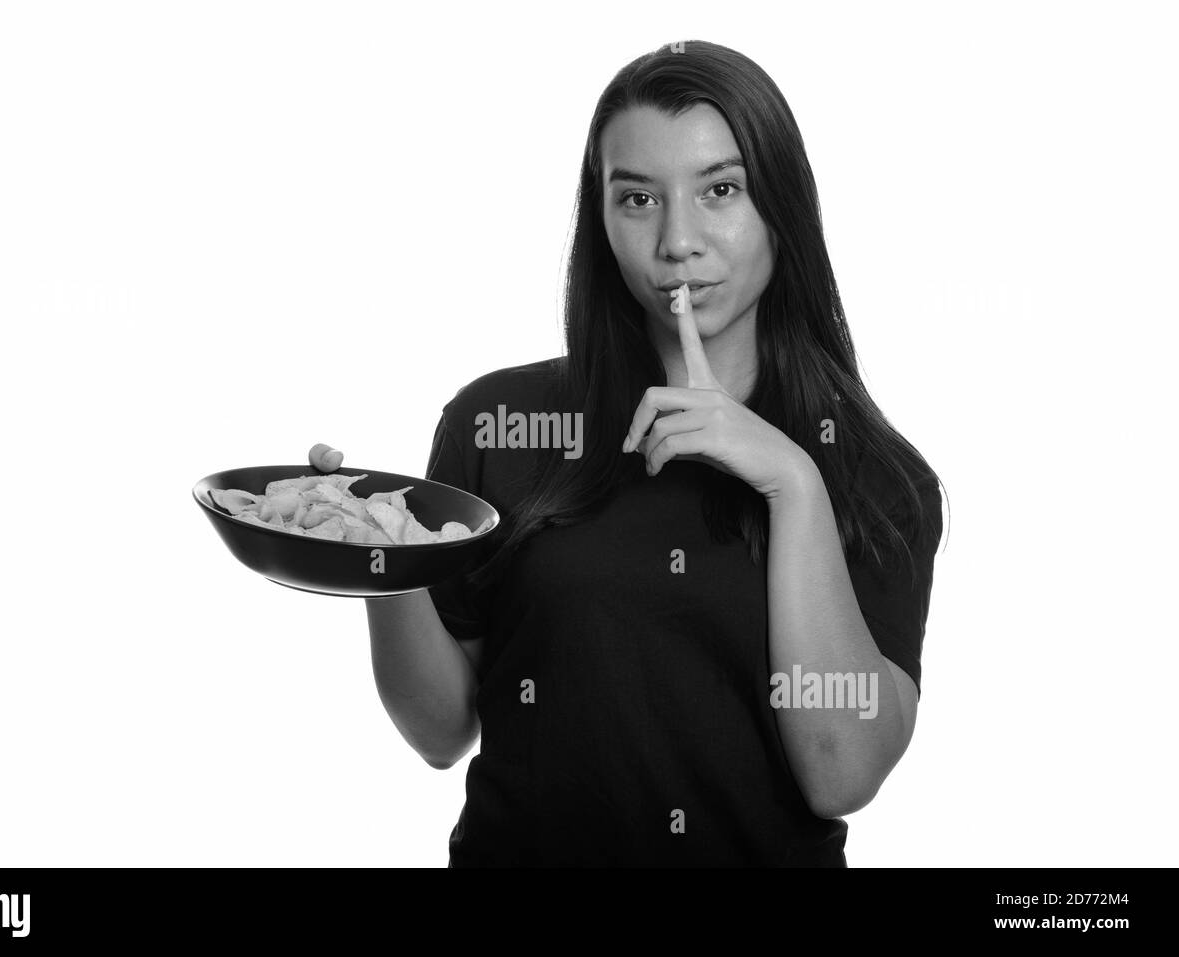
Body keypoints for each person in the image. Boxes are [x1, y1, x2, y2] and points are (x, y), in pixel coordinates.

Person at [310, 40, 945, 867]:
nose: (678, 240)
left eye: (721, 190)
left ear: (781, 204)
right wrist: (382, 559)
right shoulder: (496, 421)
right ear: (601, 218)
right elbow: (440, 730)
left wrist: (794, 482)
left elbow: (841, 773)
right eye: (638, 197)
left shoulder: (873, 473)